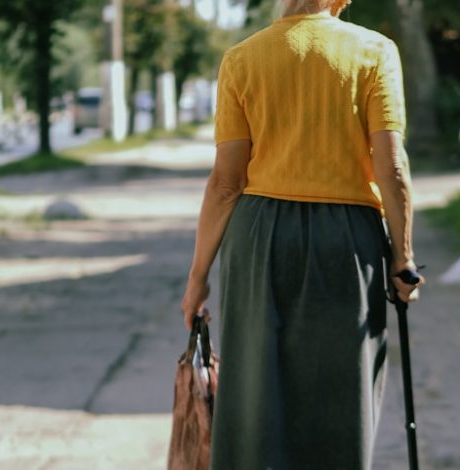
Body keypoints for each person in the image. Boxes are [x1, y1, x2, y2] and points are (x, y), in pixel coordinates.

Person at [181, 0, 424, 468]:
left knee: (255, 389)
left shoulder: (243, 58)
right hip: (347, 240)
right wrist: (403, 258)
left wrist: (198, 277)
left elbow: (226, 182)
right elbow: (391, 166)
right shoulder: (374, 51)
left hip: (258, 239)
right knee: (341, 390)